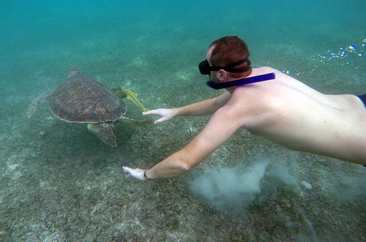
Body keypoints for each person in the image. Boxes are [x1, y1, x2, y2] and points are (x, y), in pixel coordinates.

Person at [123, 36, 366, 181]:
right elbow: (216, 102)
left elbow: (183, 163)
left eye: (205, 66)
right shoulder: (267, 72)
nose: (204, 69)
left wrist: (145, 174)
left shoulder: (238, 109)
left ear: (220, 73)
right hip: (358, 103)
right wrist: (175, 111)